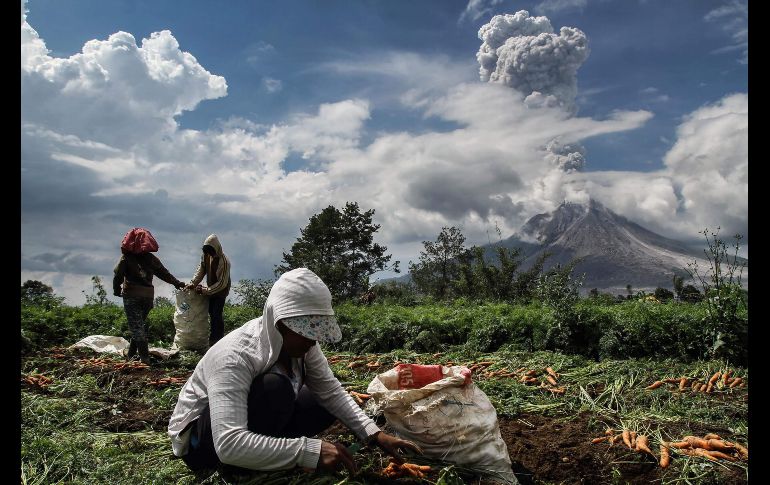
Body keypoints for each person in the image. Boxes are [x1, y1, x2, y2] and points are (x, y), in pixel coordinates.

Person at [168, 268, 421, 474]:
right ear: (279, 323)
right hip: (205, 447)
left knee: (320, 401)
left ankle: (267, 452)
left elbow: (331, 392)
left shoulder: (303, 345)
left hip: (252, 424)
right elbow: (228, 444)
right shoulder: (234, 355)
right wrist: (308, 452)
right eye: (307, 333)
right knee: (275, 389)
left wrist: (374, 434)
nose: (313, 341)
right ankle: (240, 469)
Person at [113, 227, 186, 364]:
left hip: (132, 295)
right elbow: (164, 274)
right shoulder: (151, 259)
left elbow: (118, 276)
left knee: (136, 326)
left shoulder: (126, 258)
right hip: (147, 297)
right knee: (138, 325)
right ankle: (131, 355)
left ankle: (145, 358)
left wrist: (116, 290)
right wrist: (177, 283)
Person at [185, 234, 231, 347]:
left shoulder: (224, 262)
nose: (210, 255)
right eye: (208, 252)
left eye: (211, 252)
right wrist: (193, 283)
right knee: (210, 311)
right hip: (210, 287)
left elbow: (221, 284)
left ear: (216, 249)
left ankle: (217, 340)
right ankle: (212, 338)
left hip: (221, 290)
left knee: (216, 313)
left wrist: (205, 290)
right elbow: (201, 269)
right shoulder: (205, 256)